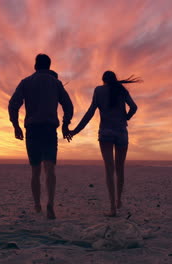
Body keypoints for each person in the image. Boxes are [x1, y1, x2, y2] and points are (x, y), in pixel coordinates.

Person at [8, 54, 73, 219]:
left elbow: (13, 104)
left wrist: (15, 126)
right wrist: (66, 124)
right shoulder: (56, 83)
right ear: (49, 66)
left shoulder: (26, 82)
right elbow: (68, 105)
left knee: (35, 170)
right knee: (50, 168)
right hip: (49, 129)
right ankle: (50, 202)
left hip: (33, 129)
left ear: (36, 65)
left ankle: (37, 205)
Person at [69, 71, 140, 217]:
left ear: (103, 81)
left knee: (109, 170)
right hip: (121, 132)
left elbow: (90, 113)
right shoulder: (121, 90)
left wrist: (76, 130)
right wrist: (126, 117)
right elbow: (134, 107)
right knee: (120, 169)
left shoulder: (99, 90)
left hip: (106, 132)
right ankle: (119, 200)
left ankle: (113, 208)